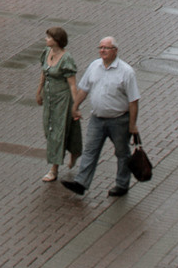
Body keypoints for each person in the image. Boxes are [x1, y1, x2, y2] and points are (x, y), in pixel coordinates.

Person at [61, 35, 143, 198]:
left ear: (115, 51)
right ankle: (81, 183)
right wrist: (75, 106)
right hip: (97, 119)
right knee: (90, 150)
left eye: (106, 48)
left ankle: (121, 184)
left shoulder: (126, 72)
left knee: (122, 153)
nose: (102, 51)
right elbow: (84, 88)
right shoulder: (94, 66)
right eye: (100, 48)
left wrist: (132, 125)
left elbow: (133, 101)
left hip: (119, 120)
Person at [37, 25, 78, 183]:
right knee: (49, 130)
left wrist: (75, 105)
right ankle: (75, 150)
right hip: (49, 98)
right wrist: (39, 90)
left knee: (57, 133)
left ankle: (54, 169)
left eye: (49, 37)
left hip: (62, 99)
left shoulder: (67, 59)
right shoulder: (46, 52)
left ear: (57, 41)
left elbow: (73, 84)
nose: (46, 39)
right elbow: (43, 72)